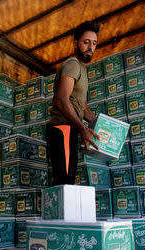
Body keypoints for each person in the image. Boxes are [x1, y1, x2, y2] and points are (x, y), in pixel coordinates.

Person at [46, 21, 100, 186]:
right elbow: (62, 99)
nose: (90, 47)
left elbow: (82, 106)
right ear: (75, 43)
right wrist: (83, 128)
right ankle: (60, 213)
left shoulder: (82, 69)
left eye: (94, 43)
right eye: (86, 42)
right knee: (64, 182)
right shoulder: (72, 65)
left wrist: (104, 126)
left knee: (68, 180)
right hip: (62, 129)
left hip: (70, 130)